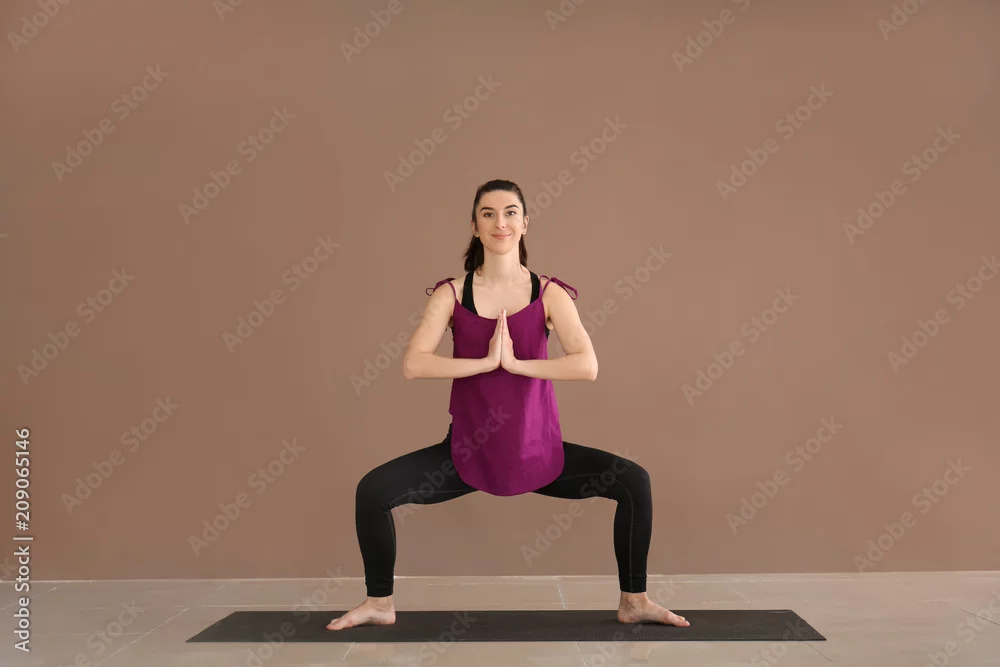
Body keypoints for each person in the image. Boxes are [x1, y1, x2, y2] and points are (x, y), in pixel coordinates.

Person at [327, 179, 689, 630]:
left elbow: (587, 365)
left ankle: (634, 601)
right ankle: (379, 603)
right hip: (468, 452)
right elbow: (413, 364)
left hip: (537, 452)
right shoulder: (451, 294)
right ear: (475, 226)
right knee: (373, 492)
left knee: (634, 482)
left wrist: (516, 364)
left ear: (525, 223)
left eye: (510, 212)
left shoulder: (549, 293)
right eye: (489, 214)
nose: (501, 222)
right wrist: (484, 363)